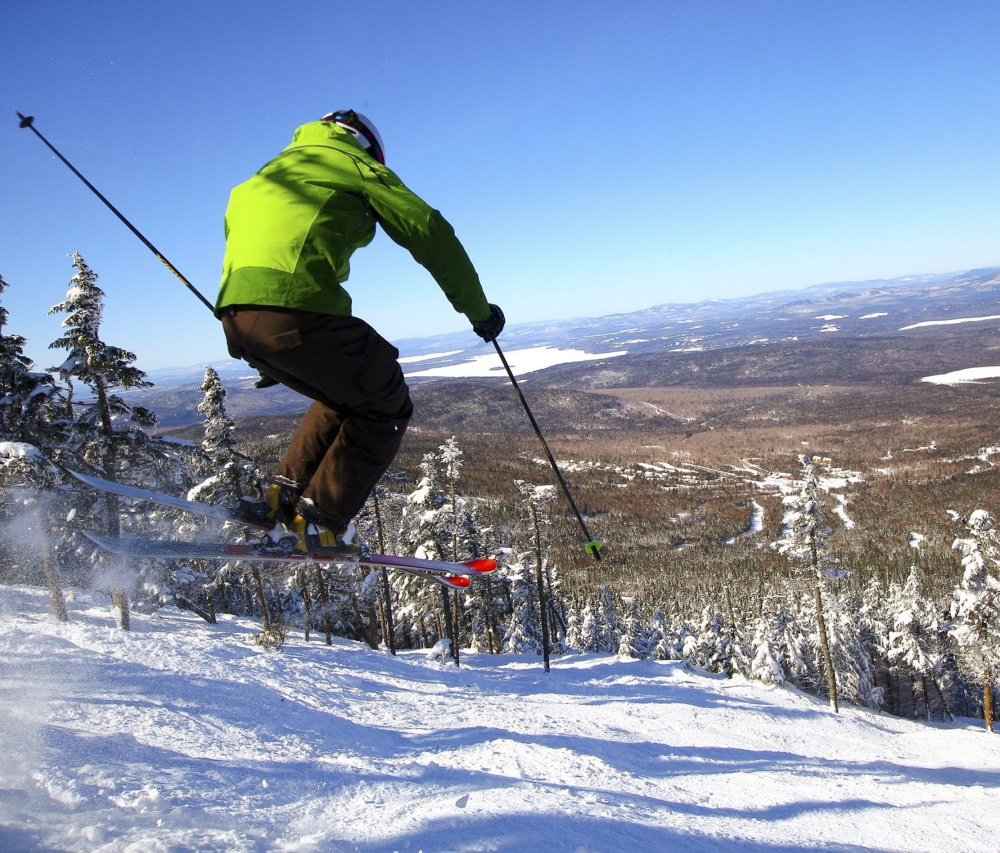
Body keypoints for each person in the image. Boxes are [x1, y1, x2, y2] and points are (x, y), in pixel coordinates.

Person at [216, 110, 504, 552]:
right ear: (366, 144)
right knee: (384, 399)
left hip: (238, 317)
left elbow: (245, 239)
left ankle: (282, 496)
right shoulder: (351, 162)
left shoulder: (265, 175)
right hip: (297, 308)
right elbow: (428, 230)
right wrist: (478, 310)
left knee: (345, 393)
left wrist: (271, 346)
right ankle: (321, 521)